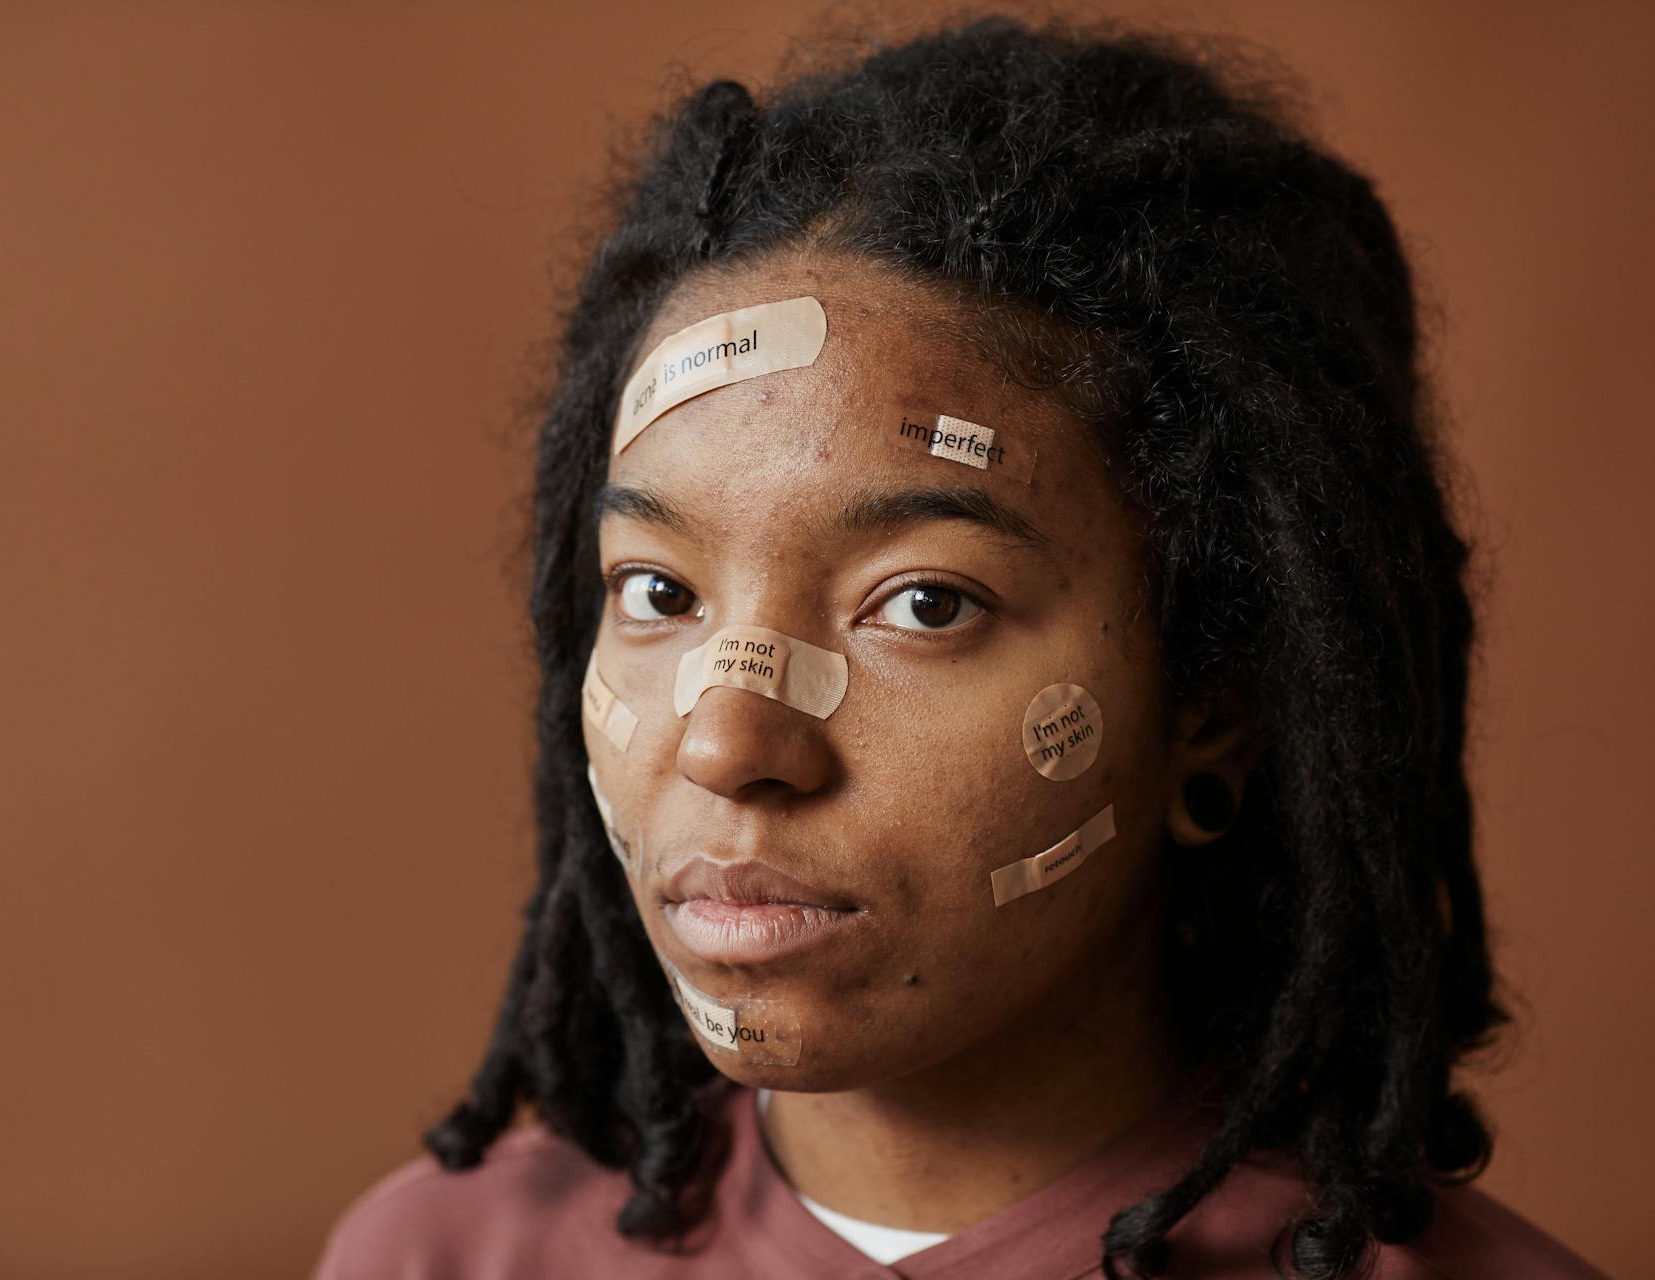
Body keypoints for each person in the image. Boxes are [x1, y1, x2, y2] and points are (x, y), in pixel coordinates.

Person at [313, 15, 1607, 1279]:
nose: (726, 739)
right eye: (657, 591)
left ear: (1212, 705)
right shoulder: (442, 1256)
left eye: (925, 603)